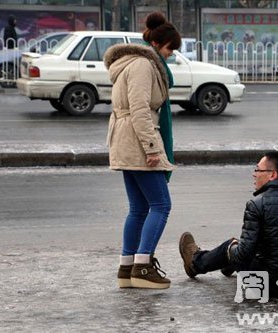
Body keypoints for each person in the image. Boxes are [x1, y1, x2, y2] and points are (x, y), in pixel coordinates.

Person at [103, 12, 181, 289]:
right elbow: (139, 109)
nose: (172, 55)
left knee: (138, 208)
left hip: (126, 139)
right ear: (159, 44)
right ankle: (143, 268)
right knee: (161, 205)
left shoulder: (135, 63)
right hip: (137, 141)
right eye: (171, 49)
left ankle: (127, 269)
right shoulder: (143, 65)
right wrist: (151, 148)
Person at [179, 152, 278, 297]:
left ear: (272, 175)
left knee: (230, 247)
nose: (254, 174)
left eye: (258, 170)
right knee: (253, 245)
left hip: (266, 284)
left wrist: (233, 251)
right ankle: (227, 264)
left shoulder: (257, 204)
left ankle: (195, 263)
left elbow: (243, 254)